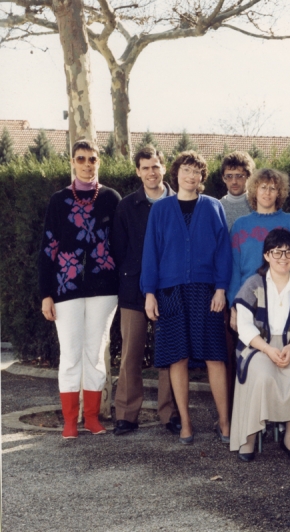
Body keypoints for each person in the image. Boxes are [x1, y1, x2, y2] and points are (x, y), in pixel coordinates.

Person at [141, 150, 232, 445]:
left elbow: (223, 251)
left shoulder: (214, 207)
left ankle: (224, 421)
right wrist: (149, 293)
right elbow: (151, 254)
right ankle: (186, 423)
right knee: (177, 357)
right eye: (186, 171)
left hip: (206, 292)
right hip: (171, 291)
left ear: (202, 178)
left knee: (215, 356)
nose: (191, 176)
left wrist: (220, 288)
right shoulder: (161, 209)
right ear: (176, 173)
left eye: (197, 172)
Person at [39, 139, 121, 438]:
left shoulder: (112, 198)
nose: (87, 164)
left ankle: (92, 418)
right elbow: (49, 247)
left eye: (93, 159)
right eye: (81, 158)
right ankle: (70, 421)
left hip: (104, 288)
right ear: (72, 162)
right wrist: (46, 293)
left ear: (99, 162)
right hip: (66, 287)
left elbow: (121, 245)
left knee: (96, 353)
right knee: (71, 354)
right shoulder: (58, 201)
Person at [230, 229, 290, 462]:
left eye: (288, 252)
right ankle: (249, 438)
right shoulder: (253, 284)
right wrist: (267, 349)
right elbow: (243, 326)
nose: (283, 258)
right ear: (266, 255)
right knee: (263, 376)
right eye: (277, 252)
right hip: (257, 345)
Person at [110, 145, 179, 436]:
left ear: (164, 168)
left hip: (170, 289)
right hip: (133, 289)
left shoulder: (181, 202)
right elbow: (118, 248)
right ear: (138, 171)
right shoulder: (127, 206)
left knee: (170, 354)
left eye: (156, 166)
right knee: (130, 354)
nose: (151, 172)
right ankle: (126, 414)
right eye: (145, 167)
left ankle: (170, 414)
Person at [228, 168, 290, 310]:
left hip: (284, 301)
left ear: (279, 193)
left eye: (273, 188)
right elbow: (233, 270)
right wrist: (234, 305)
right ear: (254, 191)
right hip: (248, 301)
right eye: (263, 188)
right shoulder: (240, 225)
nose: (267, 192)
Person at [218, 151, 255, 230]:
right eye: (229, 176)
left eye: (239, 176)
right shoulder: (217, 208)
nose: (234, 182)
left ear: (249, 176)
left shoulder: (258, 207)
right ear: (223, 178)